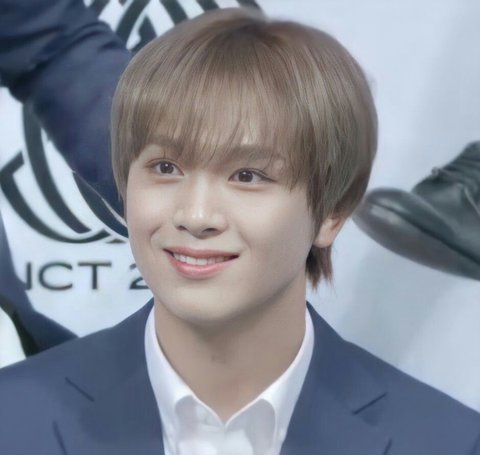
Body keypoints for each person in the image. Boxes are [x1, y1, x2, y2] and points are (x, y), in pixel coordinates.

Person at [0, 7, 479, 455]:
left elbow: (50, 43)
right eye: (166, 168)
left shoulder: (449, 441)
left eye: (247, 176)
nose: (196, 214)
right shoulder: (16, 418)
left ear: (332, 213)